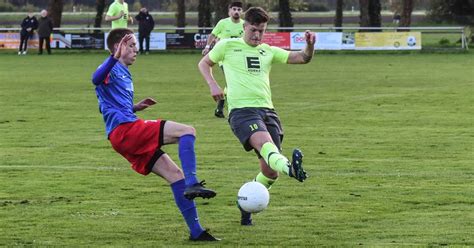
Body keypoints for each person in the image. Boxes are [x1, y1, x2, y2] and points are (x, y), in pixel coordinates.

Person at [91, 28, 219, 241]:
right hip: (126, 131)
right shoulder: (110, 68)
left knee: (174, 174)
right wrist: (112, 59)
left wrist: (134, 107)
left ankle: (197, 232)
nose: (136, 50)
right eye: (131, 45)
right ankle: (193, 182)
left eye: (136, 46)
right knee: (187, 131)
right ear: (117, 47)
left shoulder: (123, 71)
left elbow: (107, 106)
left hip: (123, 132)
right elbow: (96, 79)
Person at [198, 7, 314, 226]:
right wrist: (213, 84)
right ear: (244, 26)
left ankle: (244, 205)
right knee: (265, 143)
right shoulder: (227, 46)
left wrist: (310, 44)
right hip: (241, 112)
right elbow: (204, 63)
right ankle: (292, 168)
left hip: (268, 111)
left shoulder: (268, 51)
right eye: (253, 30)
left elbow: (302, 58)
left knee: (270, 172)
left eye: (261, 31)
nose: (257, 35)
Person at [202, 1, 244, 119]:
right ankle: (231, 108)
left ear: (242, 12)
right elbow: (213, 35)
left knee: (233, 82)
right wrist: (207, 47)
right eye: (234, 9)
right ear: (229, 11)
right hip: (225, 58)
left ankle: (220, 106)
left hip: (240, 58)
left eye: (239, 9)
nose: (236, 11)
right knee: (233, 82)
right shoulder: (223, 23)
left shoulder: (245, 24)